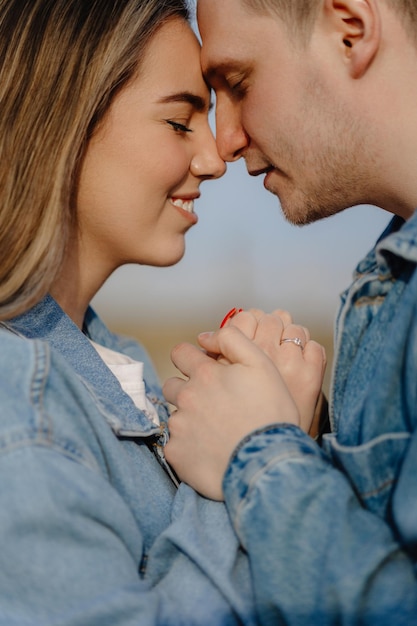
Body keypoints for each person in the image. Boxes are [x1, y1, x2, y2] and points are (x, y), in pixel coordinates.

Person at [0, 1, 290, 623]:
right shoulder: (17, 410)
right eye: (180, 123)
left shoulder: (118, 369)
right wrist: (246, 463)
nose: (215, 160)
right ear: (64, 118)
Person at [163, 0, 417, 623]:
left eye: (239, 84)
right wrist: (295, 431)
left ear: (351, 29)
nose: (224, 142)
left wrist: (256, 451)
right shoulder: (391, 286)